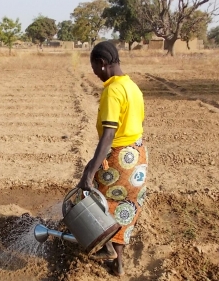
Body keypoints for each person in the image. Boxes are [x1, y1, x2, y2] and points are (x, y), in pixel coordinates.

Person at [77, 41, 148, 277]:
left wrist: (89, 172)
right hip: (137, 157)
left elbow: (108, 136)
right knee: (125, 207)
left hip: (118, 159)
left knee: (93, 197)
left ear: (102, 63)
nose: (95, 74)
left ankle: (106, 246)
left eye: (94, 68)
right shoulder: (132, 87)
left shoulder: (112, 91)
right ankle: (118, 263)